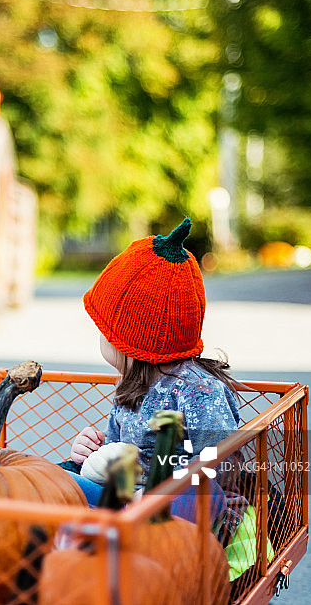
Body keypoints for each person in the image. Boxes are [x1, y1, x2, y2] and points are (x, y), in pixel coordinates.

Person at [64, 217, 248, 535]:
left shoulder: (198, 391)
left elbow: (222, 467)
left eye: (104, 329)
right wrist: (91, 455)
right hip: (127, 500)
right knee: (56, 478)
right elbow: (119, 452)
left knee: (197, 493)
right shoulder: (130, 386)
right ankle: (112, 520)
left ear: (127, 340)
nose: (100, 335)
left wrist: (156, 493)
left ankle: (117, 523)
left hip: (188, 516)